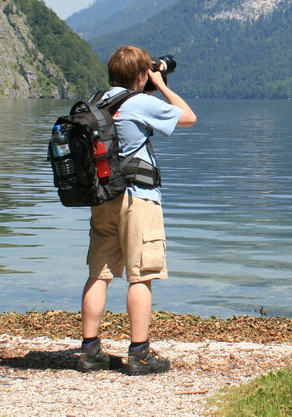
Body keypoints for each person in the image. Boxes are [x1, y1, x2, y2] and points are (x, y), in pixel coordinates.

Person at [76, 45, 197, 375]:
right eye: (146, 72)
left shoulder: (96, 102)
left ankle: (90, 352)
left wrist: (146, 79)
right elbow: (188, 117)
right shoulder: (140, 102)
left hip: (102, 198)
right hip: (138, 199)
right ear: (141, 74)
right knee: (141, 275)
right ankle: (139, 354)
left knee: (98, 274)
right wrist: (161, 85)